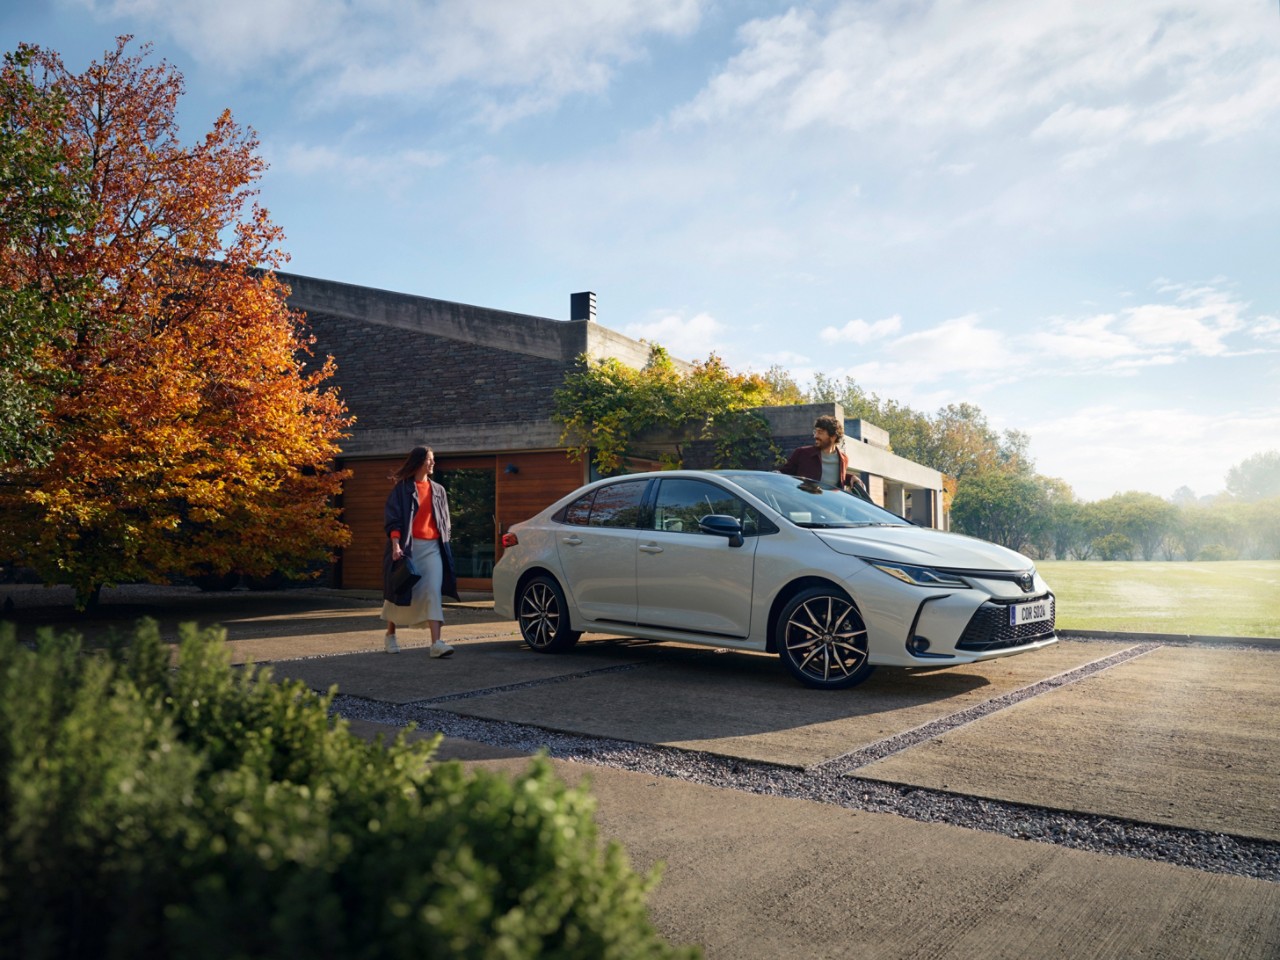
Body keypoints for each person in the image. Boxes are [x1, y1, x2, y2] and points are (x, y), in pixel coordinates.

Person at [381, 445, 458, 657]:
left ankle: (436, 644)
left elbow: (445, 522)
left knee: (433, 591)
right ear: (419, 462)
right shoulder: (402, 489)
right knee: (401, 590)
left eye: (433, 460)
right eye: (429, 460)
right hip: (408, 547)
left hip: (433, 548)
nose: (433, 463)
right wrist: (396, 545)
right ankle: (390, 635)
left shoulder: (439, 490)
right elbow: (393, 520)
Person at [779, 414, 869, 498]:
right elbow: (783, 474)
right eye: (815, 432)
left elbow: (834, 477)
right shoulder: (802, 453)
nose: (815, 436)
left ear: (833, 437)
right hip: (804, 507)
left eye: (820, 432)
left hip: (830, 509)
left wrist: (851, 478)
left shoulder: (843, 459)